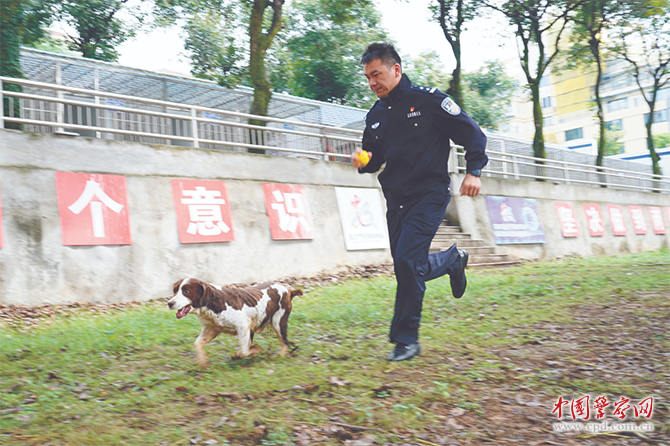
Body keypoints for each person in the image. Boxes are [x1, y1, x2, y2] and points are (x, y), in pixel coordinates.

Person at [352, 43, 488, 362]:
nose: (372, 83)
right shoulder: (375, 116)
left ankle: (406, 340)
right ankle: (453, 260)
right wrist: (365, 162)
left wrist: (474, 171)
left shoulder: (429, 101)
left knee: (408, 263)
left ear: (395, 70)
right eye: (368, 77)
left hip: (429, 193)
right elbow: (375, 159)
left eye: (377, 74)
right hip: (396, 199)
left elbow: (473, 134)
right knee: (406, 266)